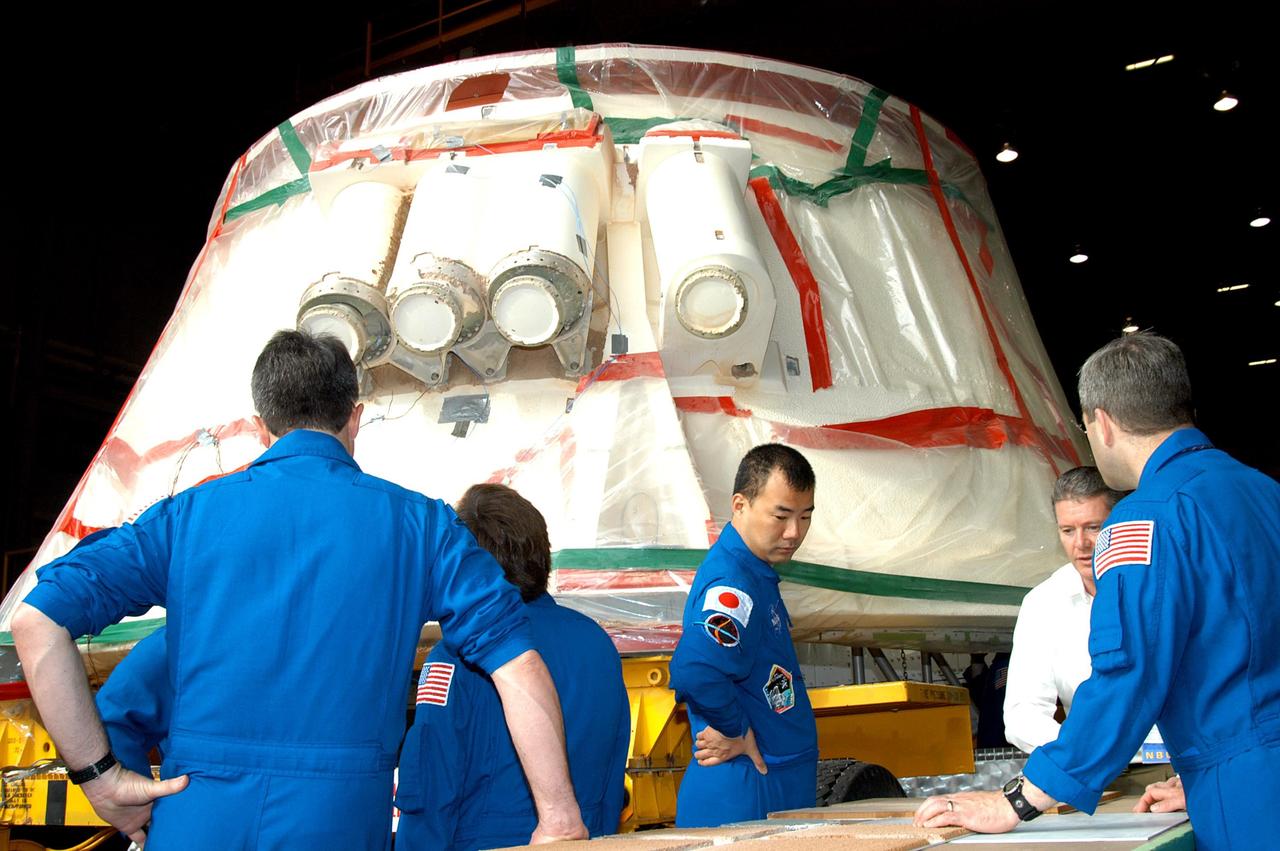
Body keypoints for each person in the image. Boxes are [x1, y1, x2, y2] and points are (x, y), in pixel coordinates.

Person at [11, 330, 586, 849]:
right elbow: (516, 663)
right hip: (337, 821)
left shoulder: (184, 518)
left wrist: (99, 778)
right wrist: (559, 819)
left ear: (262, 425)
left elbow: (35, 622)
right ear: (354, 418)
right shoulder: (422, 526)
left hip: (198, 817)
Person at [915, 333, 1280, 850]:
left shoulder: (1144, 520)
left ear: (1101, 423)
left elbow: (1127, 676)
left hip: (1246, 793)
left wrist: (1018, 799)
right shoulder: (1264, 492)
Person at [395, 483, 630, 850]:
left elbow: (430, 788)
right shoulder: (597, 643)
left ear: (466, 563)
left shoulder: (456, 657)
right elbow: (612, 775)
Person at [668, 443, 819, 827]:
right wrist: (736, 729)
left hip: (770, 786)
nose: (794, 532)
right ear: (740, 505)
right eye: (781, 516)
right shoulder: (733, 583)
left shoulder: (756, 575)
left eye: (805, 516)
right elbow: (695, 669)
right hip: (748, 793)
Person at [1003, 466, 1127, 752]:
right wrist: (1081, 751)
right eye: (1068, 530)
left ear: (1120, 524)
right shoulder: (1043, 604)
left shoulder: (1157, 585)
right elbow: (1023, 712)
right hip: (1090, 763)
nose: (1081, 544)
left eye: (1093, 527)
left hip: (1170, 762)